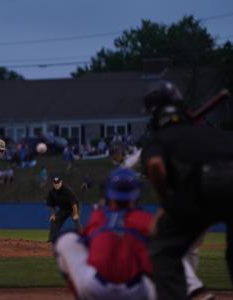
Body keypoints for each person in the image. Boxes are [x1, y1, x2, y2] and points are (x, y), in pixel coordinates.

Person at [140, 80, 233, 299]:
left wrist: (167, 203)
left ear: (153, 115)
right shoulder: (214, 134)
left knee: (163, 250)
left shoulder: (159, 140)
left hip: (203, 185)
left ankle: (191, 292)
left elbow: (155, 165)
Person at [54, 168, 156, 300]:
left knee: (66, 238)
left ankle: (81, 295)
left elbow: (85, 242)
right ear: (136, 194)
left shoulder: (99, 217)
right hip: (137, 292)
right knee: (168, 249)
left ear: (109, 193)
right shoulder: (146, 219)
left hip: (96, 288)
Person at [46, 176, 81, 242]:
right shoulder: (51, 192)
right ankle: (51, 240)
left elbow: (74, 204)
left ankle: (82, 238)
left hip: (73, 208)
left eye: (58, 183)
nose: (57, 185)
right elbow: (52, 205)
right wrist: (53, 215)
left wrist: (76, 214)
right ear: (53, 184)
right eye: (55, 183)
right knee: (54, 220)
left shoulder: (67, 191)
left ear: (61, 182)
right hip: (63, 209)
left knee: (76, 220)